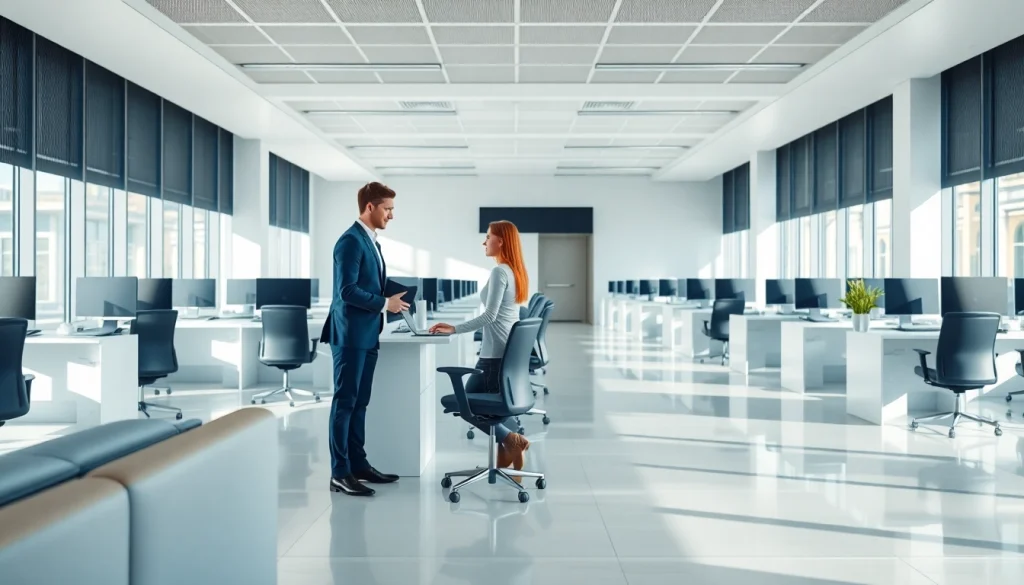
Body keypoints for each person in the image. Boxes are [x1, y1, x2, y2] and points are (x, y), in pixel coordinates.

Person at [320, 182, 410, 497]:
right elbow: (347, 291)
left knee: (360, 403)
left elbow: (369, 282)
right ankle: (339, 472)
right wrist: (386, 303)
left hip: (368, 332)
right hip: (350, 335)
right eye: (387, 209)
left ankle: (358, 465)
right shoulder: (350, 241)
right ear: (369, 207)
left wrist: (393, 296)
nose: (391, 215)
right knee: (345, 402)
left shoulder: (371, 241)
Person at [430, 220, 532, 473]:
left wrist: (454, 328)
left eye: (488, 237)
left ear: (501, 241)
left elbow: (490, 316)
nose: (484, 242)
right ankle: (508, 447)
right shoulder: (515, 271)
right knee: (477, 406)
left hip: (493, 357)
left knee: (463, 405)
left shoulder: (500, 272)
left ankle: (512, 440)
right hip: (502, 353)